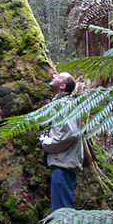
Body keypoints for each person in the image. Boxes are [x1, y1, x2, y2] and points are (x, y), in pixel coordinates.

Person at [39, 72, 84, 212]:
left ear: (62, 86)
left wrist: (46, 143)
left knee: (61, 213)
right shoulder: (63, 103)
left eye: (57, 76)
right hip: (63, 164)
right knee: (61, 211)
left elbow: (70, 134)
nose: (53, 76)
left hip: (63, 166)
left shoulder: (64, 104)